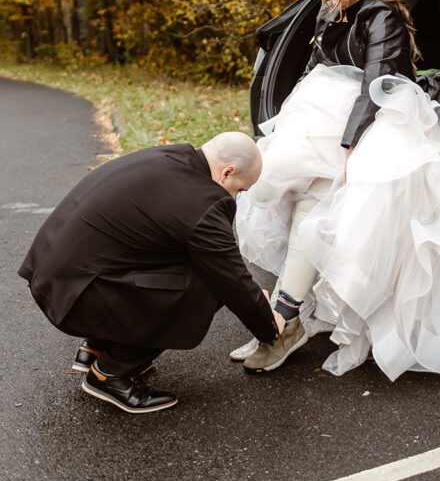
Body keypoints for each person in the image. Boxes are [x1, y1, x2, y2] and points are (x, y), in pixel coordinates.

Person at [234, 0, 440, 379]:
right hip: (324, 119)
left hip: (380, 121)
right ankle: (281, 319)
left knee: (317, 201)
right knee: (286, 198)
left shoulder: (382, 15)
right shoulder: (328, 10)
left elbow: (377, 84)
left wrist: (350, 146)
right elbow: (313, 68)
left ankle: (282, 322)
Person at [18, 132, 284, 413]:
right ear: (227, 172)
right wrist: (269, 325)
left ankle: (96, 347)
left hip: (55, 278)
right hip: (80, 299)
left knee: (180, 261)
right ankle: (110, 373)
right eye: (240, 190)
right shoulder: (203, 200)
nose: (236, 198)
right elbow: (232, 279)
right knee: (208, 286)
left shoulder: (167, 157)